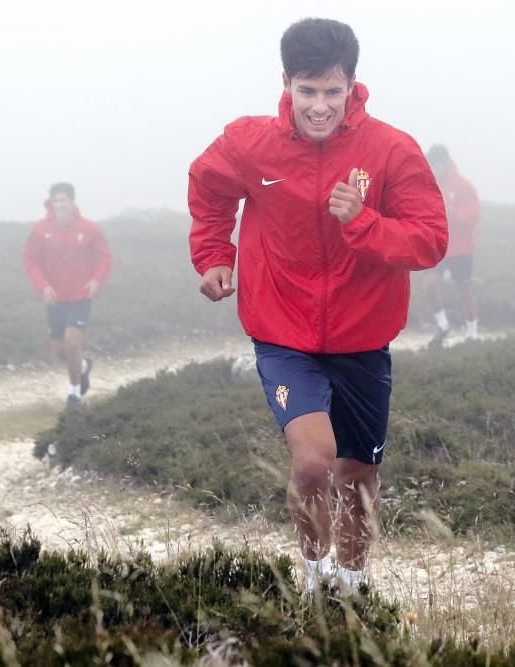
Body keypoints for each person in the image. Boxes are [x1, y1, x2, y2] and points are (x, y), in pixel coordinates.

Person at [188, 18, 447, 594]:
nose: (320, 106)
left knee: (357, 476)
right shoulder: (248, 142)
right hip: (282, 332)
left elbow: (430, 241)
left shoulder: (390, 149)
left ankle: (353, 586)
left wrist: (362, 220)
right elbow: (208, 189)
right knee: (312, 464)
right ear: (286, 83)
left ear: (353, 84)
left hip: (363, 338)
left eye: (333, 91)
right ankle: (312, 577)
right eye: (307, 91)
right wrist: (212, 253)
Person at [23, 182, 112, 407]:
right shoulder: (41, 229)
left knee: (72, 343)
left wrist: (96, 280)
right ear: (51, 204)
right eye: (56, 201)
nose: (60, 205)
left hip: (80, 295)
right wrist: (42, 286)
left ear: (72, 202)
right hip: (54, 298)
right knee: (60, 350)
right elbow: (30, 260)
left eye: (64, 200)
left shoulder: (89, 229)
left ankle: (74, 394)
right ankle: (82, 367)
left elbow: (105, 258)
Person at [422, 145, 481, 343]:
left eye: (438, 163)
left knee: (464, 290)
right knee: (429, 285)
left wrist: (451, 212)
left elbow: (474, 216)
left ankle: (471, 334)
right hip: (438, 245)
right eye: (432, 163)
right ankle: (443, 326)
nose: (435, 167)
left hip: (462, 248)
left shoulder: (463, 185)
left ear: (446, 163)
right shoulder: (428, 184)